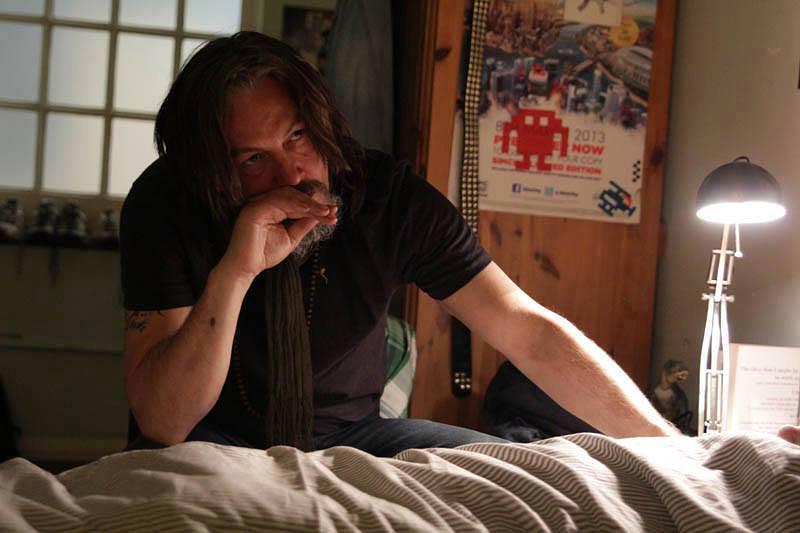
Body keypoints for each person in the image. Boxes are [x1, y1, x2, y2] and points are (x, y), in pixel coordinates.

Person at [120, 31, 678, 457]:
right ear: (212, 173)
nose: (291, 175)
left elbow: (525, 328)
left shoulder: (386, 197)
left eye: (298, 136)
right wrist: (236, 272)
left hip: (354, 436)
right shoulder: (167, 203)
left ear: (322, 123)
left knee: (513, 468)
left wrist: (665, 445)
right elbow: (164, 422)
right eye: (252, 159)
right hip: (211, 436)